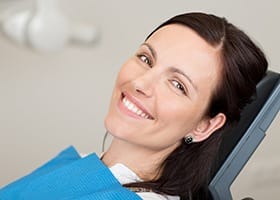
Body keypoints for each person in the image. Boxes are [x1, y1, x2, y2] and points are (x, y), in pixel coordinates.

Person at [0, 12, 268, 200]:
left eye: (177, 85)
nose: (141, 82)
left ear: (204, 125)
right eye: (146, 58)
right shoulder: (83, 164)